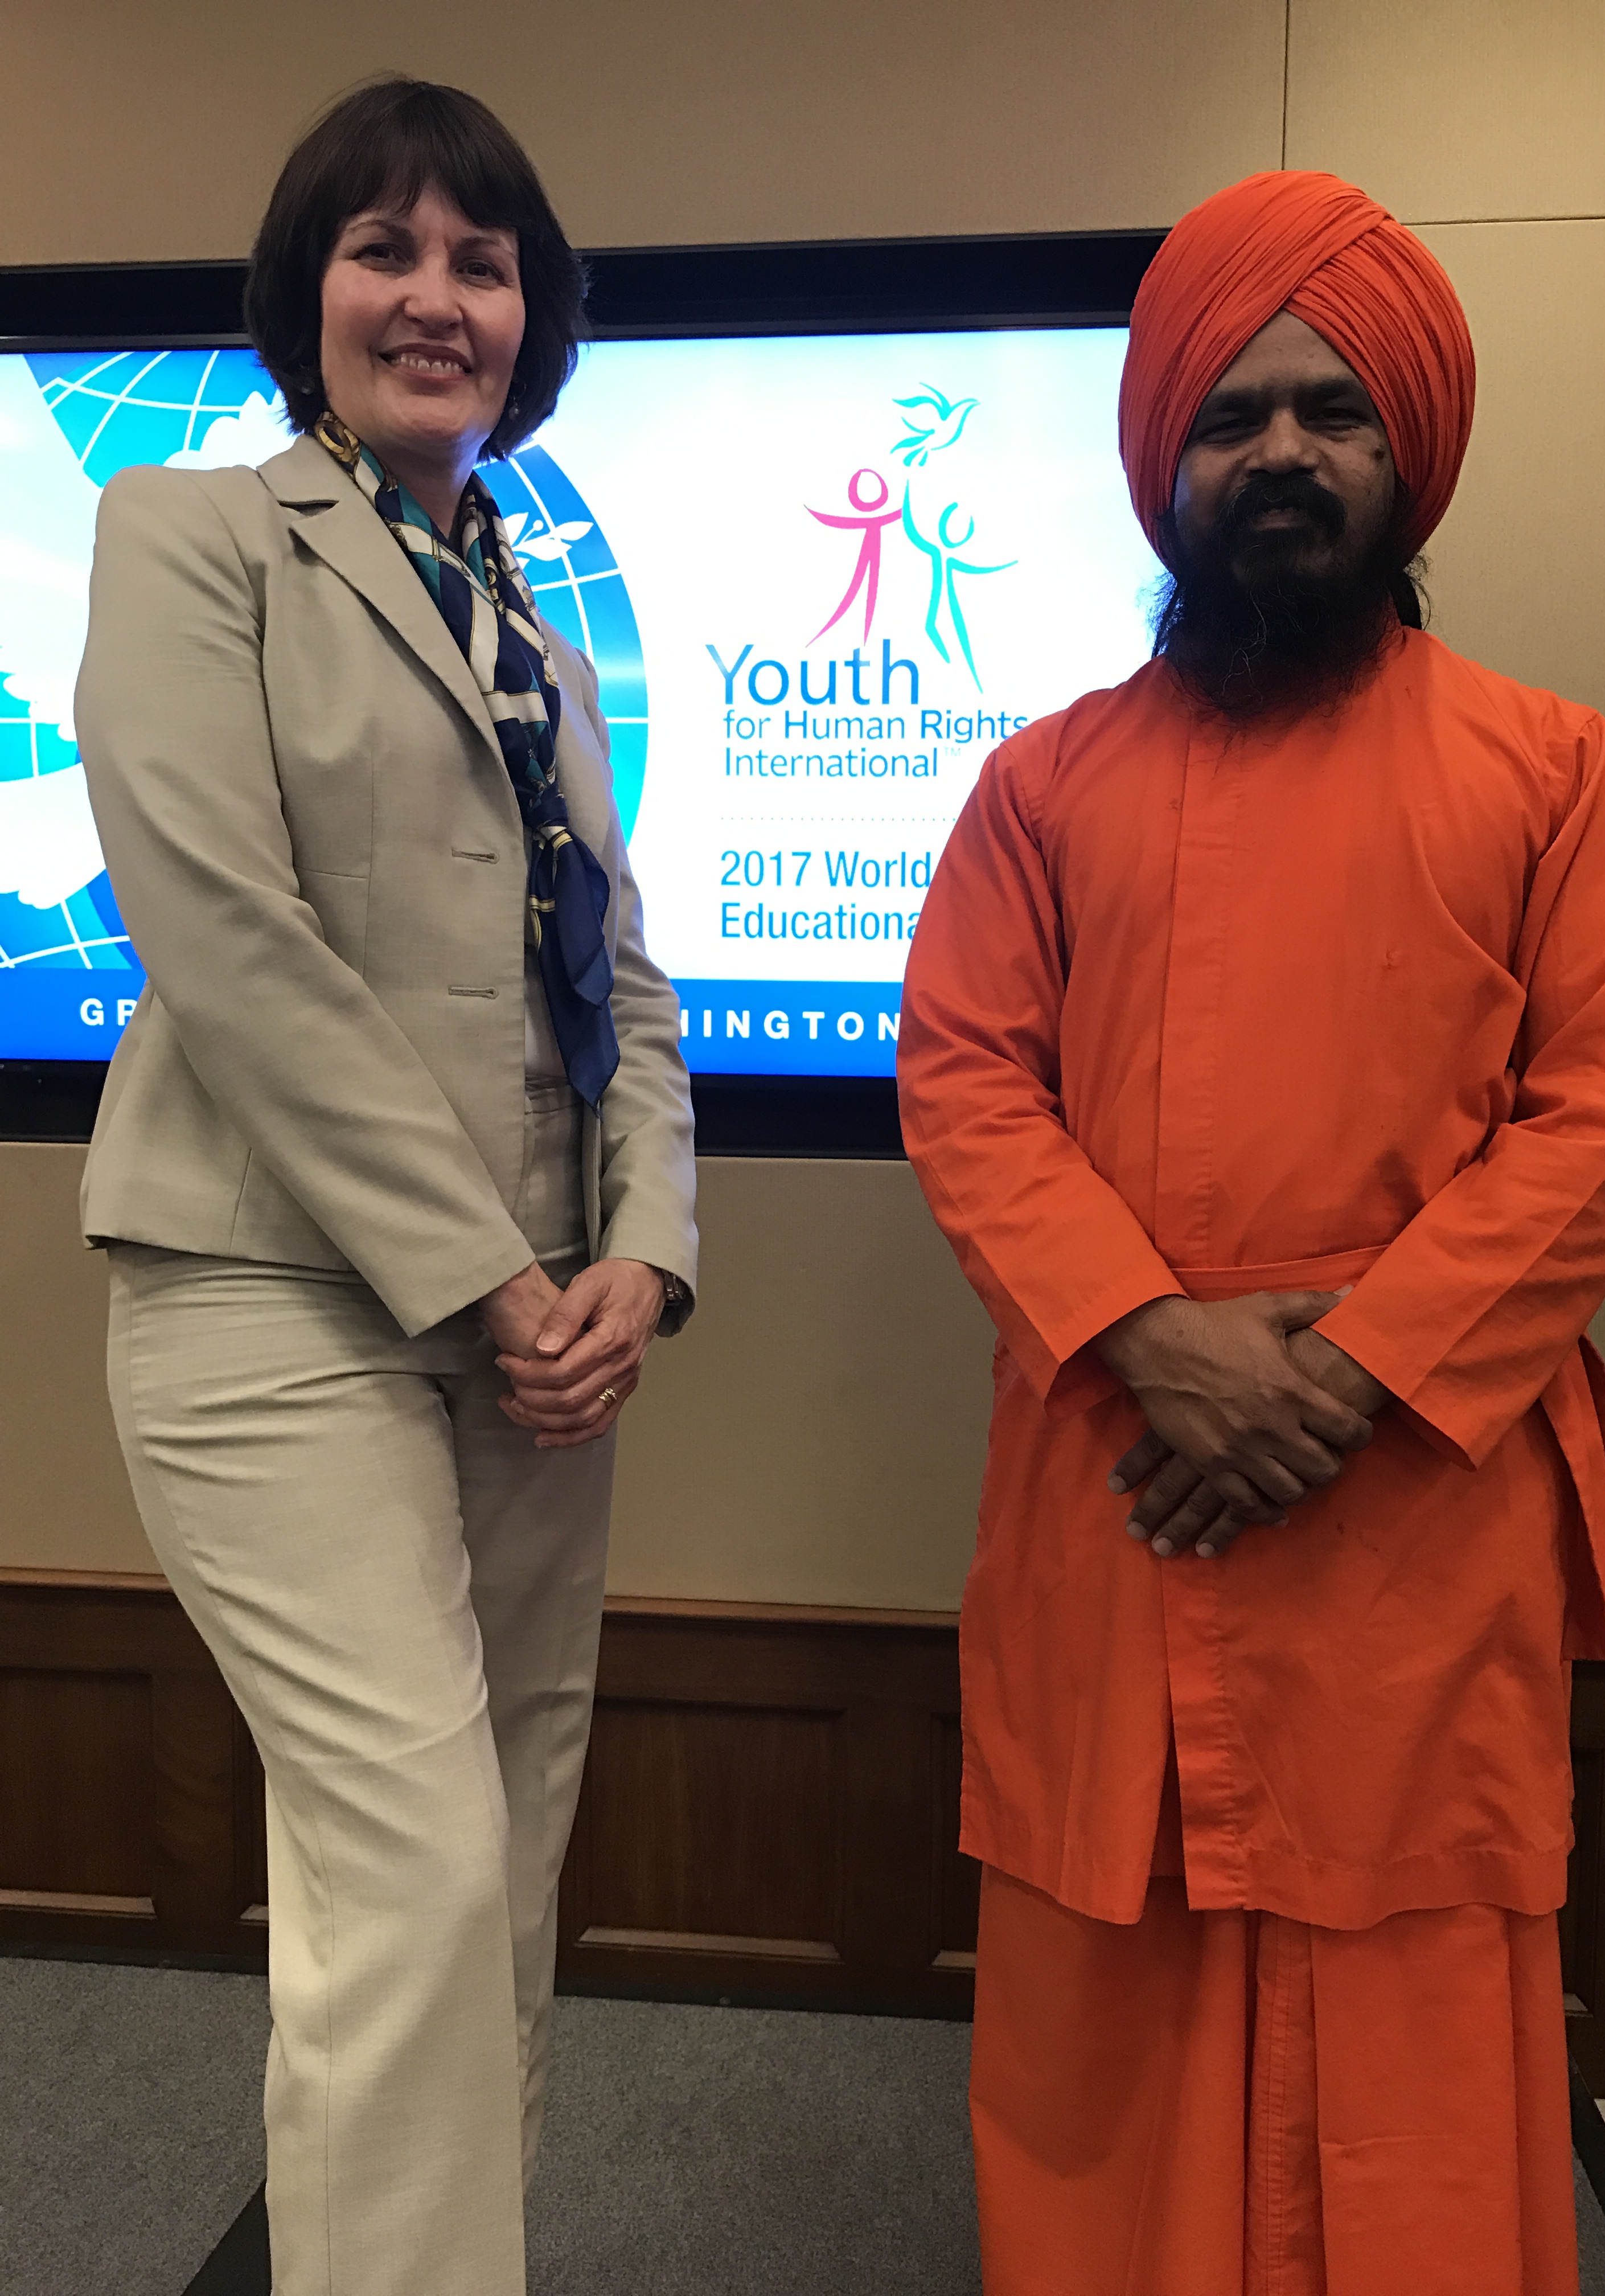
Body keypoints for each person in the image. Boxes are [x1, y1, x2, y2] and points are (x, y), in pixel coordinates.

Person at [897, 169, 1605, 2296]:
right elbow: (967, 1086)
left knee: (1417, 2039)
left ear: (1408, 453)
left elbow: (1601, 1127)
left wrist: (1338, 1378)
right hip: (1124, 1484)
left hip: (1411, 1514)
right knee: (1109, 2029)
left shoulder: (1557, 770)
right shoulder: (1041, 789)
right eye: (1233, 417)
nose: (1283, 455)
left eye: (1334, 412)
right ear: (1166, 461)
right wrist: (1159, 1341)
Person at [75, 79, 696, 2296]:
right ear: (303, 296)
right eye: (387, 249)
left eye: (484, 263)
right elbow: (229, 939)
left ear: (535, 321)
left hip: (540, 1336)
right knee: (413, 1870)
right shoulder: (189, 535)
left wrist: (643, 1258)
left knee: (492, 1871)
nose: (439, 298)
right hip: (273, 1300)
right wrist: (492, 1275)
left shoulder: (543, 637)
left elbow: (623, 977)